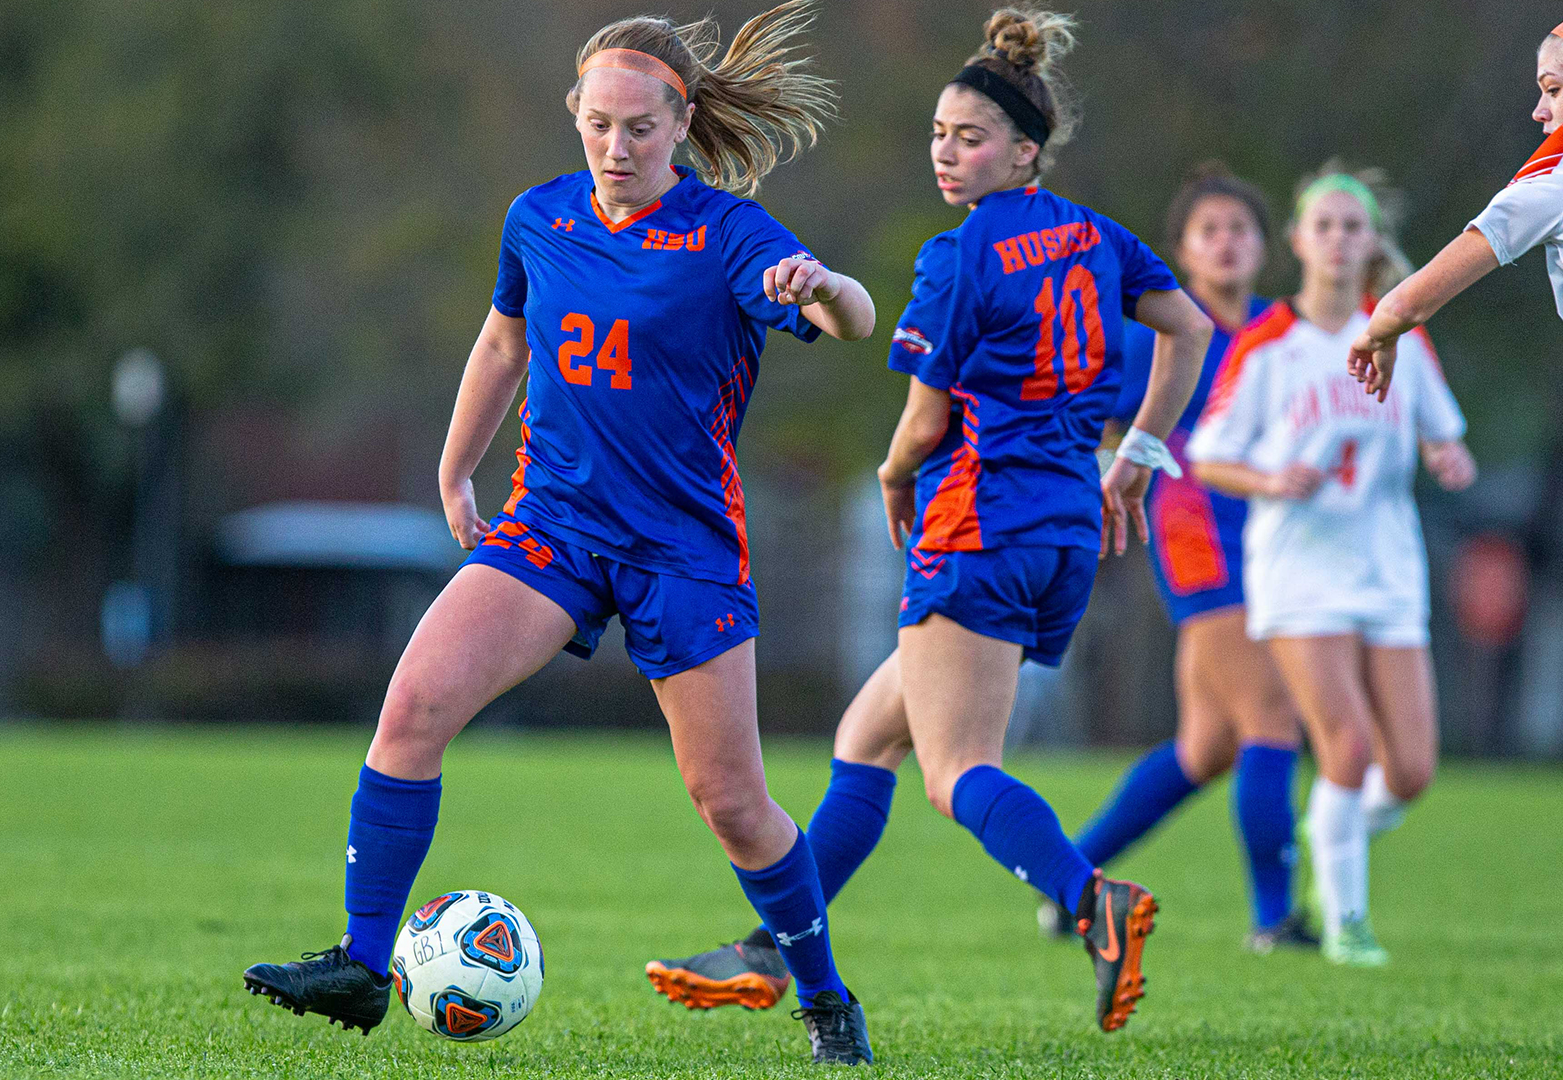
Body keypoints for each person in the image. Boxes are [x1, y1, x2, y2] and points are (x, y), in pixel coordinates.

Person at [239, 2, 883, 1063]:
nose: (616, 147)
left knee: (732, 804)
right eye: (598, 125)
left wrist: (825, 287)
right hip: (553, 528)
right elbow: (504, 343)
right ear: (574, 114)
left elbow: (852, 319)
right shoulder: (538, 217)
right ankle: (360, 962)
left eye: (639, 128)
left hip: (682, 551)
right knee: (412, 710)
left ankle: (823, 999)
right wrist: (455, 468)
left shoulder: (731, 235)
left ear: (682, 122)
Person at [643, 5, 1212, 1034]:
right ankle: (770, 951)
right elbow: (1189, 325)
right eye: (941, 135)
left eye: (972, 138)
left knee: (956, 774)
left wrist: (894, 475)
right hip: (1063, 531)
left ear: (1025, 151)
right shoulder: (1096, 236)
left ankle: (1094, 900)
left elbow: (922, 421)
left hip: (977, 525)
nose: (948, 153)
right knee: (869, 739)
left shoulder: (960, 255)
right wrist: (1137, 455)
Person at [1188, 164, 1476, 966]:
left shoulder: (1402, 333)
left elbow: (1441, 432)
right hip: (1299, 569)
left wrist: (1447, 456)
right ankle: (1348, 924)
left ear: (1372, 241)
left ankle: (1331, 837)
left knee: (1410, 769)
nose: (1340, 240)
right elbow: (1208, 455)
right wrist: (1270, 479)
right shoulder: (1268, 344)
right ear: (1298, 241)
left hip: (1387, 566)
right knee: (1345, 748)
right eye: (1325, 225)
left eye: (1354, 226)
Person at [1039, 164, 1314, 954]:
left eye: (1240, 229)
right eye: (1209, 231)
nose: (1226, 243)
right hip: (1199, 538)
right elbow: (1086, 416)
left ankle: (1064, 882)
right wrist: (1103, 476)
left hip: (1279, 538)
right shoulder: (1159, 334)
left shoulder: (1284, 330)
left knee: (1206, 748)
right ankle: (1274, 921)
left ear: (1265, 244)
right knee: (1272, 717)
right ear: (1183, 251)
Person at [1351, 22, 1563, 394]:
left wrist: (1378, 335)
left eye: (1554, 90)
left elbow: (1403, 307)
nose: (1539, 111)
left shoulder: (1552, 188)